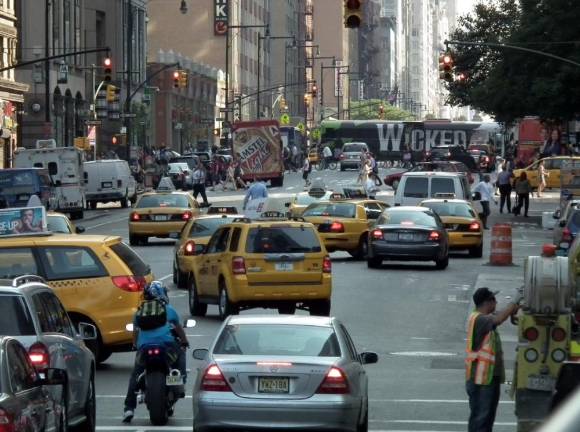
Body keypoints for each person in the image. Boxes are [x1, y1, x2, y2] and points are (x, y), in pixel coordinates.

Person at [123, 281, 189, 423]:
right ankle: (179, 378)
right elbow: (178, 329)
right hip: (166, 346)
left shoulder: (139, 311)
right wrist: (184, 342)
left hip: (145, 348)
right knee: (181, 352)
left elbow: (135, 332)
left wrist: (135, 345)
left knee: (136, 373)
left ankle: (129, 408)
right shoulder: (168, 309)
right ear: (162, 294)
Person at [466, 287, 520, 432]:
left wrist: (515, 305)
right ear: (486, 302)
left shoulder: (483, 317)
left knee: (486, 417)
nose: (496, 303)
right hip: (481, 379)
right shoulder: (480, 319)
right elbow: (499, 318)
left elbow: (500, 313)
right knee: (481, 418)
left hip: (488, 377)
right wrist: (515, 300)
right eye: (494, 300)